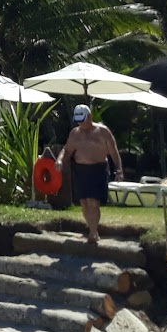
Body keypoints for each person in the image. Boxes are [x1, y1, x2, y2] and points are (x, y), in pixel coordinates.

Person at [62, 103, 123, 243]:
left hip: (98, 169)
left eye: (83, 120)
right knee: (84, 202)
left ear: (89, 117)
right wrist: (61, 162)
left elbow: (113, 151)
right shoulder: (75, 133)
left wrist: (119, 169)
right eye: (78, 120)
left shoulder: (103, 131)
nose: (81, 123)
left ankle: (93, 232)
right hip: (81, 170)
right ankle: (91, 228)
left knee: (93, 202)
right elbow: (67, 150)